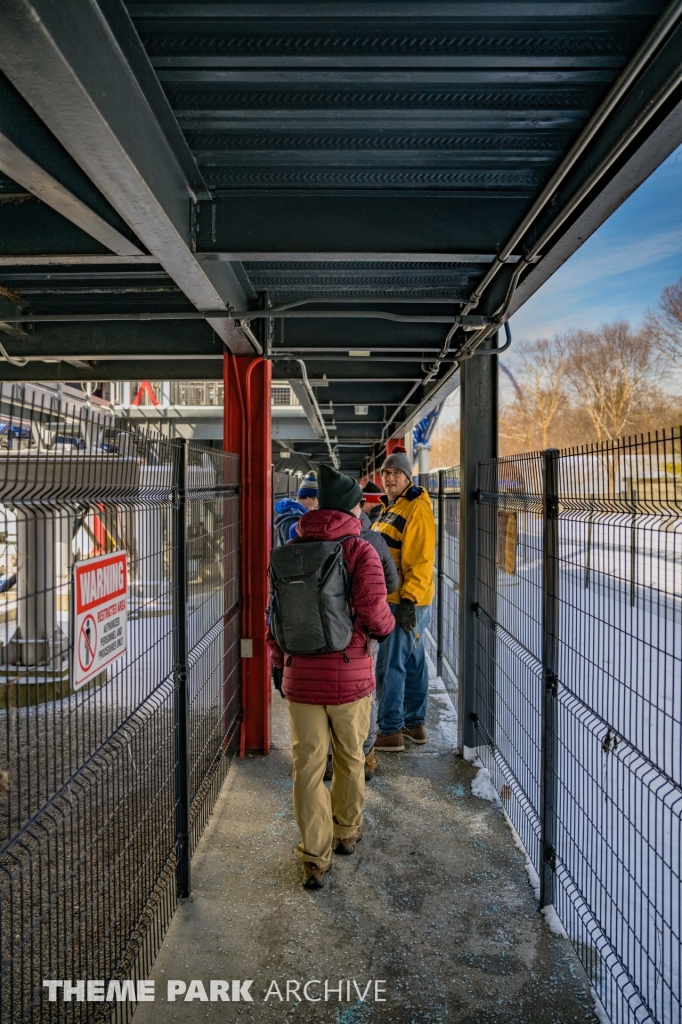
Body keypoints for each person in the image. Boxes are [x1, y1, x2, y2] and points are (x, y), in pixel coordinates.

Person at [266, 464, 394, 890]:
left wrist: (280, 661)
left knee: (306, 767)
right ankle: (346, 832)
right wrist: (387, 629)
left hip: (300, 678)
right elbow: (376, 614)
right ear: (354, 508)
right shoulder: (360, 550)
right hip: (350, 676)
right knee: (350, 757)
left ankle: (315, 858)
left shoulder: (291, 546)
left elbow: (274, 618)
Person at [320, 494, 399, 782]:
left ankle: (326, 757)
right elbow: (390, 584)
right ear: (357, 507)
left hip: (313, 636)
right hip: (357, 637)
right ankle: (364, 755)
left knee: (320, 693)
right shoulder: (372, 541)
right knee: (362, 693)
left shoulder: (300, 538)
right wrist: (383, 627)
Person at [371, 446, 436, 751]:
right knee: (413, 662)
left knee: (390, 665)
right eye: (386, 472)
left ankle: (390, 729)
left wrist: (409, 600)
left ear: (408, 476)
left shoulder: (415, 509)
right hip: (401, 598)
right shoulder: (393, 506)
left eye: (396, 472)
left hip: (404, 600)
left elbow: (421, 559)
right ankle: (413, 724)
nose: (390, 477)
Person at [273, 471, 317, 546]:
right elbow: (291, 551)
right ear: (310, 497)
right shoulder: (293, 519)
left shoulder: (295, 515)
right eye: (317, 499)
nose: (317, 504)